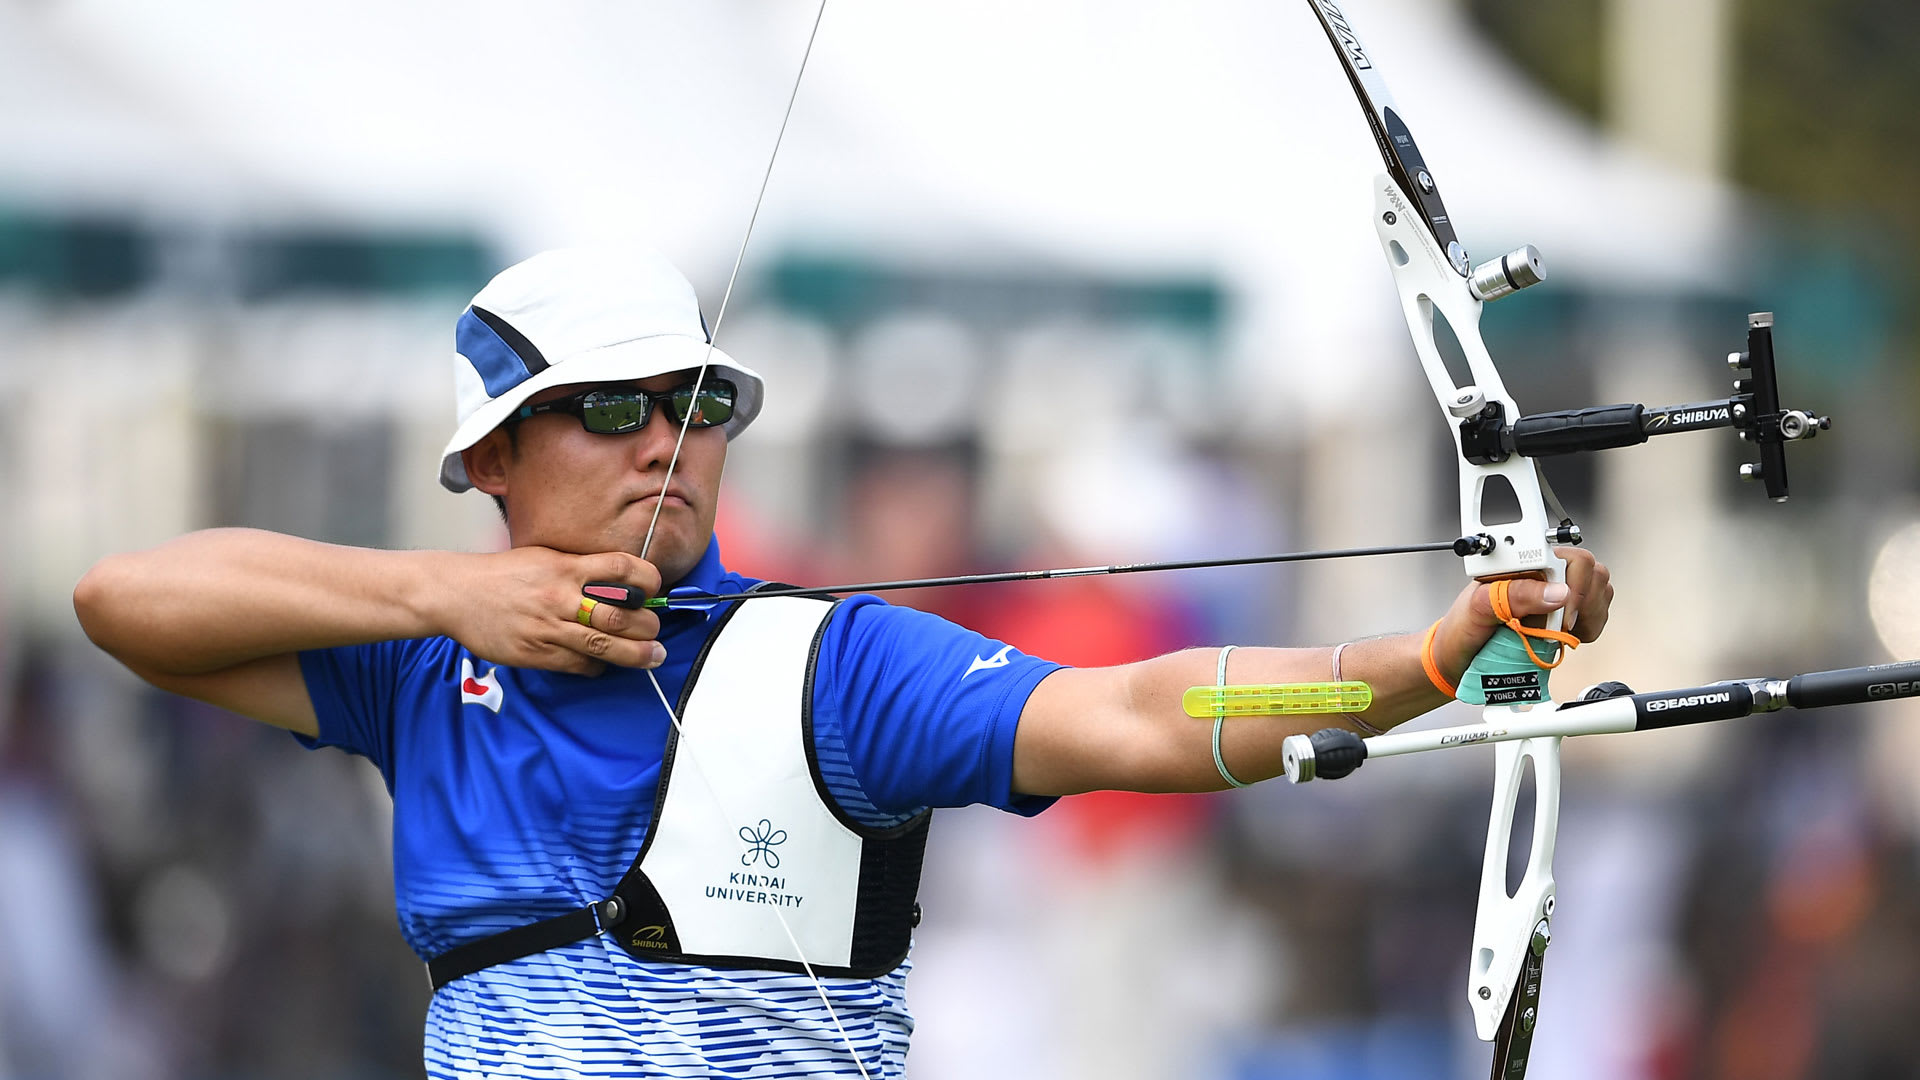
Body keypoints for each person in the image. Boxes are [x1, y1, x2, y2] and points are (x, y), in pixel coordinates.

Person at [73, 246, 1614, 1079]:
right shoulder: (414, 672)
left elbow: (1143, 714)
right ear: (490, 459)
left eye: (697, 402)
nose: (666, 442)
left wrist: (1441, 659)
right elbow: (124, 600)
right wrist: (445, 601)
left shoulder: (828, 669)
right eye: (611, 410)